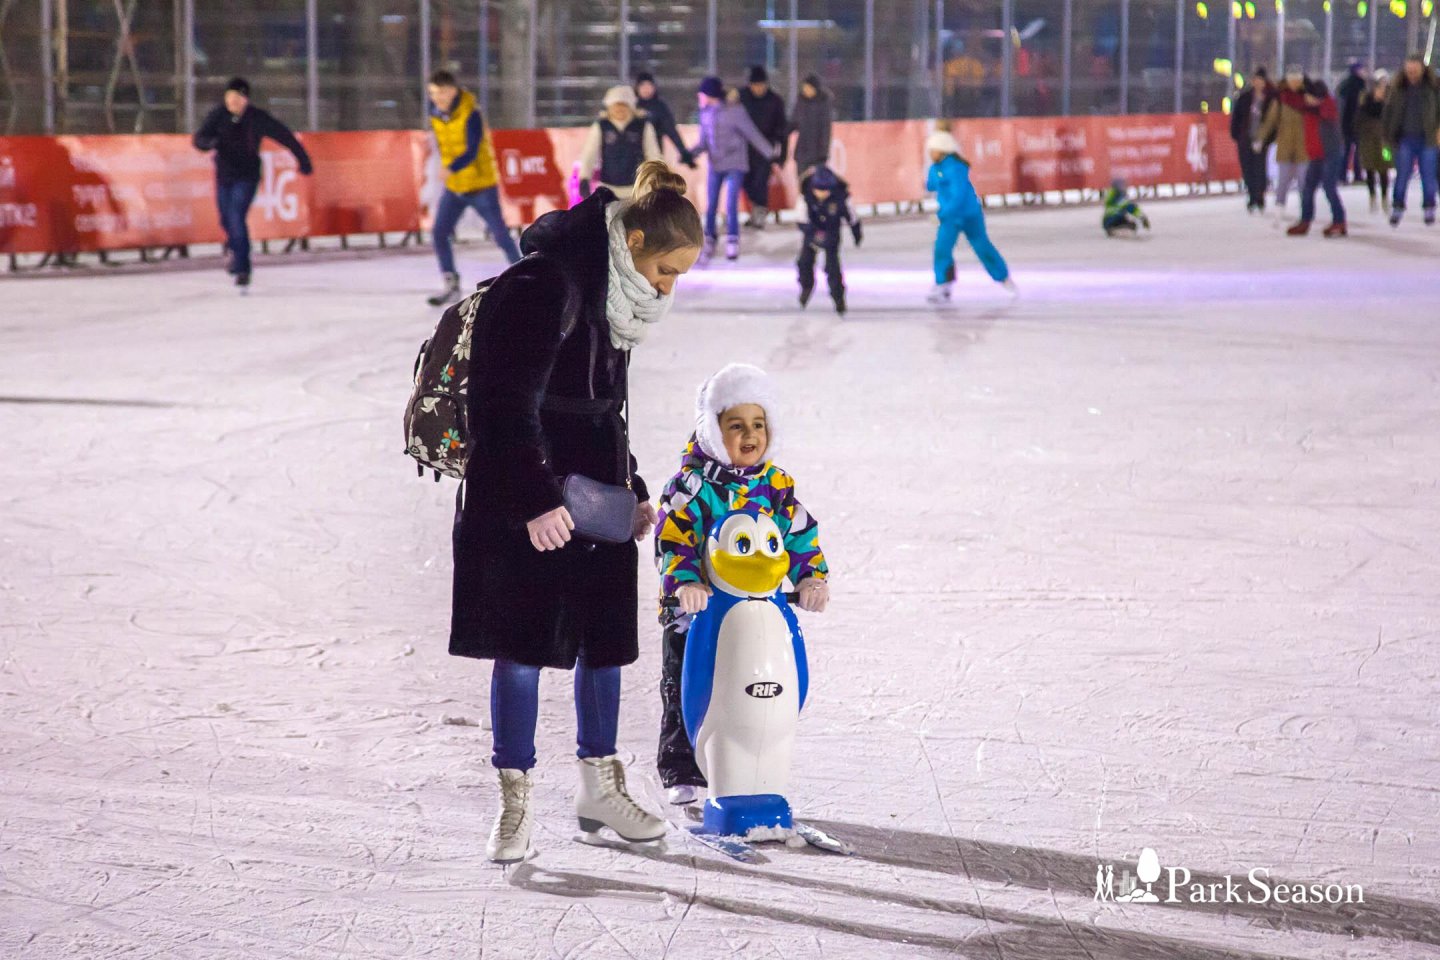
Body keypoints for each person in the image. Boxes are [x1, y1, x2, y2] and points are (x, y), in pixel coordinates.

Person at [449, 160, 704, 863]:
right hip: (525, 493)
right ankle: (515, 800)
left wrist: (637, 485)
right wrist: (534, 499)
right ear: (635, 240)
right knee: (524, 649)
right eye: (668, 270)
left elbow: (600, 408)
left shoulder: (610, 294)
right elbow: (500, 404)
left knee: (603, 645)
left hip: (593, 495)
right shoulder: (546, 283)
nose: (668, 286)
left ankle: (599, 785)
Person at [653, 363, 830, 806]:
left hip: (759, 607)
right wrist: (687, 583)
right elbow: (673, 538)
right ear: (714, 430)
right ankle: (682, 765)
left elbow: (798, 533)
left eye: (758, 424)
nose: (749, 435)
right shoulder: (692, 486)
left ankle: (756, 755)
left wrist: (810, 576)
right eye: (736, 426)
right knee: (686, 682)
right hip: (696, 614)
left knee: (761, 679)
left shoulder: (776, 485)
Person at [192, 77, 313, 288]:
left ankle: (242, 268)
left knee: (236, 216)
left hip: (246, 177)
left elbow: (285, 136)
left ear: (245, 99)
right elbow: (199, 138)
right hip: (224, 176)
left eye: (236, 98)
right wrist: (209, 143)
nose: (231, 102)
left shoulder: (256, 118)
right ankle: (234, 249)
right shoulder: (218, 115)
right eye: (228, 97)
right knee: (226, 220)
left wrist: (303, 160)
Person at [425, 69, 522, 307]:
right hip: (456, 186)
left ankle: (524, 277)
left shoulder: (471, 114)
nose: (439, 98)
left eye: (443, 93)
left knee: (500, 234)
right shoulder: (436, 114)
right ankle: (451, 282)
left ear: (454, 91)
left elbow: (471, 150)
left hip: (480, 186)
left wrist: (451, 167)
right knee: (439, 232)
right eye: (434, 93)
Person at [690, 76, 778, 263]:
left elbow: (751, 132)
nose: (699, 97)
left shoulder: (734, 111)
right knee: (711, 204)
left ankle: (732, 239)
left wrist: (770, 153)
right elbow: (704, 142)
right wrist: (689, 154)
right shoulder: (705, 113)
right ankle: (710, 237)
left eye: (702, 93)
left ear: (710, 94)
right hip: (716, 165)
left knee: (730, 203)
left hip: (735, 165)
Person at [924, 130, 1016, 303]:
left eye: (933, 150)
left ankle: (1004, 278)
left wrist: (942, 214)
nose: (930, 153)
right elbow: (930, 185)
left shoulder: (955, 168)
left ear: (943, 150)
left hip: (968, 214)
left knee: (982, 246)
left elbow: (958, 195)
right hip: (950, 216)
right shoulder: (935, 168)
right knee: (942, 249)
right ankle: (943, 283)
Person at [1280, 79, 1347, 237]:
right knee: (1307, 188)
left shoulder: (1328, 106)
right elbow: (1291, 100)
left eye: (1310, 97)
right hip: (1316, 155)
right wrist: (1291, 86)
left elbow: (1325, 112)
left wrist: (1313, 102)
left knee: (1329, 187)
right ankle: (1305, 220)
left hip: (1331, 153)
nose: (1307, 99)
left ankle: (1339, 221)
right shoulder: (1307, 107)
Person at [1381, 54, 1440, 227]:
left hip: (1427, 138)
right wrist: (1386, 136)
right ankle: (1398, 206)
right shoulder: (1398, 88)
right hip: (1404, 138)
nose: (1412, 73)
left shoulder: (1433, 88)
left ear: (1422, 69)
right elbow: (1388, 113)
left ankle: (1429, 206)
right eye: (1409, 70)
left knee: (1428, 175)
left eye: (1415, 70)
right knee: (1402, 175)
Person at [794, 165, 861, 314]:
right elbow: (801, 220)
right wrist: (813, 235)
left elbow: (852, 217)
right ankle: (806, 286)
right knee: (804, 262)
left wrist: (857, 235)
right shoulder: (805, 195)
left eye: (826, 191)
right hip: (812, 230)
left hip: (832, 231)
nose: (822, 194)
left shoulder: (841, 196)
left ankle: (838, 298)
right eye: (819, 190)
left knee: (833, 267)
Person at [576, 85, 662, 199]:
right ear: (609, 107)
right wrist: (584, 178)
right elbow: (590, 153)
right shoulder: (601, 126)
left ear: (631, 107)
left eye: (624, 106)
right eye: (616, 106)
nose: (619, 109)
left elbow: (653, 153)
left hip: (637, 187)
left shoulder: (643, 126)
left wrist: (658, 177)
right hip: (608, 187)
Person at [1256, 66, 1311, 220]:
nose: (1294, 83)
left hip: (1303, 147)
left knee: (1303, 180)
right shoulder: (1280, 99)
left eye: (1297, 81)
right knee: (1283, 180)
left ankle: (1305, 209)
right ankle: (1280, 206)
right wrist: (1261, 138)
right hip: (1285, 145)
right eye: (1292, 80)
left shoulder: (1306, 98)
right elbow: (1270, 121)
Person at [738, 66, 789, 229]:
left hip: (766, 149)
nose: (758, 89)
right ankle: (755, 211)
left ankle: (760, 212)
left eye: (761, 85)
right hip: (744, 149)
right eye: (755, 85)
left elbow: (782, 129)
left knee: (761, 181)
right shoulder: (741, 97)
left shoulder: (775, 101)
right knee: (746, 181)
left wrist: (782, 155)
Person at [634, 72, 696, 169]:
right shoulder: (631, 106)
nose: (646, 89)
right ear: (637, 88)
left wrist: (684, 153)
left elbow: (671, 130)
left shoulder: (659, 107)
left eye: (649, 85)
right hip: (631, 156)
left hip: (653, 154)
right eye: (642, 85)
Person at [1231, 68, 1271, 213]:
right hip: (1245, 138)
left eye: (1261, 80)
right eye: (1256, 80)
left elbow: (1272, 121)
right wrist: (1236, 135)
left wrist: (1268, 138)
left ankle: (1259, 197)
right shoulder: (1245, 97)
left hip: (1261, 140)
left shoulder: (1269, 99)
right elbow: (1236, 118)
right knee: (1247, 169)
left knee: (1260, 168)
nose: (1258, 83)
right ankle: (1251, 196)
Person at [1356, 69, 1395, 214]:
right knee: (1369, 167)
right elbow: (1359, 117)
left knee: (1384, 168)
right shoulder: (1365, 99)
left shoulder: (1391, 101)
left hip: (1385, 142)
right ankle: (1372, 195)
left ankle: (1385, 197)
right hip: (1368, 140)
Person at [789, 74, 834, 175]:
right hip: (802, 153)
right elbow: (793, 122)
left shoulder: (823, 103)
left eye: (808, 88)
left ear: (815, 89)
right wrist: (782, 131)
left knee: (815, 186)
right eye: (804, 88)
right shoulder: (801, 101)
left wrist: (824, 153)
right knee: (802, 183)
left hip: (817, 155)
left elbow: (826, 129)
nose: (806, 90)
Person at [1337, 60, 1368, 183]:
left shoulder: (1344, 85)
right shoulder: (1360, 85)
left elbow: (1341, 106)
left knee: (1345, 150)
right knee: (1358, 151)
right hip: (1357, 123)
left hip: (1345, 123)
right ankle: (1357, 174)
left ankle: (1342, 175)